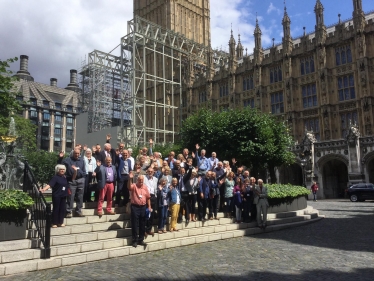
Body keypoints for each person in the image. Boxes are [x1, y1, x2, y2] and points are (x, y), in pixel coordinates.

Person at [128, 172, 151, 248]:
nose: (141, 181)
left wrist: (149, 206)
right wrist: (130, 178)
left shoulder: (145, 187)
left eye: (142, 180)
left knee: (142, 223)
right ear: (137, 180)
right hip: (135, 206)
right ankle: (134, 240)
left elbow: (148, 197)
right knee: (134, 223)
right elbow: (129, 187)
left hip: (143, 207)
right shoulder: (134, 186)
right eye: (139, 179)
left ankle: (141, 239)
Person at [61, 148, 86, 218]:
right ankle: (69, 211)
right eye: (75, 153)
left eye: (78, 153)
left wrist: (79, 172)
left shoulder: (82, 160)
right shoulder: (68, 160)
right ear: (73, 153)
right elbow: (61, 165)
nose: (77, 155)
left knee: (80, 197)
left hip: (80, 180)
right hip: (71, 181)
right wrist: (60, 158)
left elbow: (84, 171)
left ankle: (78, 211)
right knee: (70, 196)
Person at [143, 166, 158, 237]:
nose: (150, 172)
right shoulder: (144, 178)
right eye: (149, 171)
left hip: (153, 197)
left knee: (151, 214)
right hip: (145, 197)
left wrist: (156, 196)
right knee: (145, 214)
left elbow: (156, 189)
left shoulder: (156, 179)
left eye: (151, 171)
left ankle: (149, 229)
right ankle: (143, 230)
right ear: (147, 172)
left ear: (153, 172)